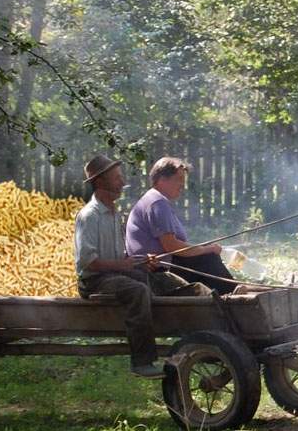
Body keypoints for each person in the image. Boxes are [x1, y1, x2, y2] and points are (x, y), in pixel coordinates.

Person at [74, 154, 166, 379]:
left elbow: (120, 256)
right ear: (99, 182)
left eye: (120, 176)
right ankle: (141, 362)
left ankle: (165, 324)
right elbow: (89, 262)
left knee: (153, 276)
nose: (122, 181)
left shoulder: (114, 214)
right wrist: (124, 265)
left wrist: (141, 260)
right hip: (93, 281)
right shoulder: (89, 216)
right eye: (116, 178)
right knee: (137, 290)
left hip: (112, 274)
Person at [125, 157, 236, 295]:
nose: (182, 184)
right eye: (178, 179)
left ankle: (231, 290)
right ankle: (233, 292)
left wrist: (204, 249)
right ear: (162, 179)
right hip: (158, 271)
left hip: (160, 266)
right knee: (208, 258)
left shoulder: (153, 200)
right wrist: (207, 249)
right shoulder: (157, 203)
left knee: (206, 257)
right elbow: (171, 247)